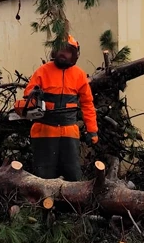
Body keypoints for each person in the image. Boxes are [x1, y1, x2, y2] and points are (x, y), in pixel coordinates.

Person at [15, 35, 98, 181]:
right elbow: (28, 96)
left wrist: (92, 131)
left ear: (74, 54)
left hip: (69, 131)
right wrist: (36, 99)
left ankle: (71, 204)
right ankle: (42, 204)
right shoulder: (43, 71)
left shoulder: (79, 75)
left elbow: (87, 104)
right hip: (44, 131)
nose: (63, 53)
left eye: (67, 50)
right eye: (60, 49)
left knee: (73, 175)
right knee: (43, 177)